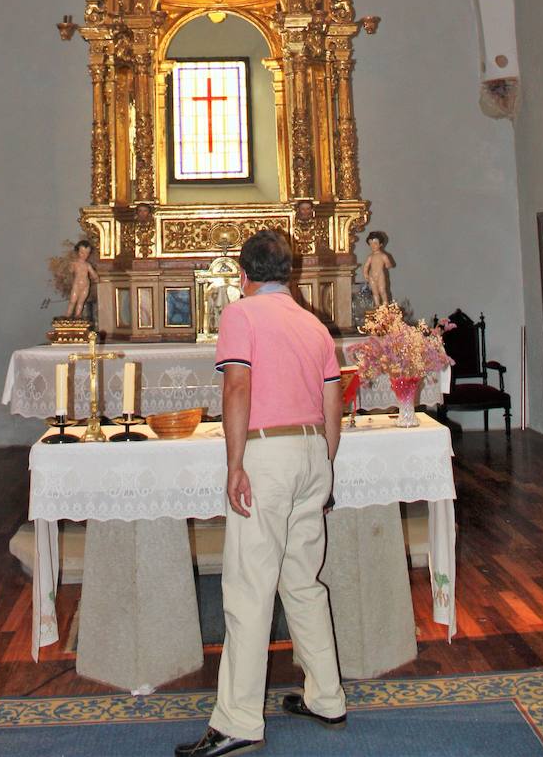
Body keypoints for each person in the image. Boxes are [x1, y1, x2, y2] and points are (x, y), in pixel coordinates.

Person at [175, 229, 346, 757]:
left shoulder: (240, 314)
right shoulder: (314, 323)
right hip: (314, 451)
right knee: (302, 581)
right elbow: (333, 397)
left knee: (249, 588)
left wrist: (235, 464)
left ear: (244, 275)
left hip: (266, 455)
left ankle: (238, 723)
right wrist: (324, 461)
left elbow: (237, 386)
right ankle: (327, 697)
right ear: (288, 274)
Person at [66, 240, 98, 320]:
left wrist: (96, 278)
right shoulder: (75, 263)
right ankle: (67, 316)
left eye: (87, 253)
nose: (84, 255)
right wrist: (71, 267)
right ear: (78, 252)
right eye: (82, 253)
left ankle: (78, 316)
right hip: (76, 285)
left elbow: (93, 273)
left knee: (81, 302)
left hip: (85, 286)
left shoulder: (87, 265)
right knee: (72, 301)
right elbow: (70, 270)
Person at [362, 230, 393, 306]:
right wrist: (365, 274)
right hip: (372, 276)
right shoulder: (370, 257)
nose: (373, 246)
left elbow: (389, 264)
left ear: (380, 244)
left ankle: (385, 305)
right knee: (375, 292)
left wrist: (388, 265)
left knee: (382, 290)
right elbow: (366, 266)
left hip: (380, 275)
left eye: (375, 243)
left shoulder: (383, 256)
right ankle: (377, 306)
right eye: (371, 244)